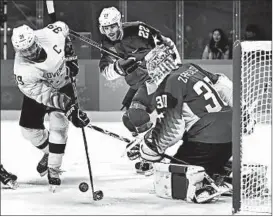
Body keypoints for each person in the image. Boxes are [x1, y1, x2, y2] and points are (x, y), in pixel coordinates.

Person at [129, 44, 233, 198]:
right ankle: (222, 171)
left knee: (172, 176)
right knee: (202, 156)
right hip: (231, 137)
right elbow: (223, 84)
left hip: (207, 141)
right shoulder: (190, 68)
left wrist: (148, 149)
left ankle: (204, 184)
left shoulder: (167, 86)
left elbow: (171, 129)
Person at [98, 7, 181, 173]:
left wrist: (176, 68)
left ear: (119, 24)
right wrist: (118, 68)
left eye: (113, 26)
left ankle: (151, 154)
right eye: (106, 28)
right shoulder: (107, 43)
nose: (110, 31)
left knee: (136, 114)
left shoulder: (138, 29)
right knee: (129, 120)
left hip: (157, 78)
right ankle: (147, 148)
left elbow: (167, 43)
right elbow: (106, 71)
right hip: (140, 82)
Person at [11, 22, 90, 190]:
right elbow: (45, 95)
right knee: (28, 130)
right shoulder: (22, 71)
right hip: (41, 91)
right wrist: (68, 105)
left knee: (58, 126)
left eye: (31, 46)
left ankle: (53, 168)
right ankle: (50, 152)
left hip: (64, 83)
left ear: (35, 40)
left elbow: (64, 28)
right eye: (24, 51)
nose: (30, 52)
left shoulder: (50, 34)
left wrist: (70, 55)